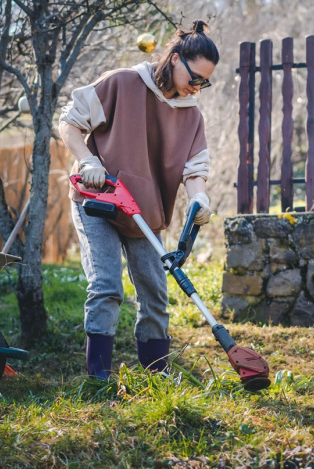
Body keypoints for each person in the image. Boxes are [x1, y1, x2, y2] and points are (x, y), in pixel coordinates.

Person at [57, 20, 218, 379]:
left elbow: (195, 170)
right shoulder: (123, 83)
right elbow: (69, 123)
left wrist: (200, 201)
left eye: (205, 81)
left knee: (155, 294)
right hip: (97, 200)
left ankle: (156, 375)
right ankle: (98, 377)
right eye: (195, 77)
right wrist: (88, 160)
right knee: (106, 285)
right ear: (175, 59)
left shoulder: (190, 114)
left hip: (143, 211)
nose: (198, 86)